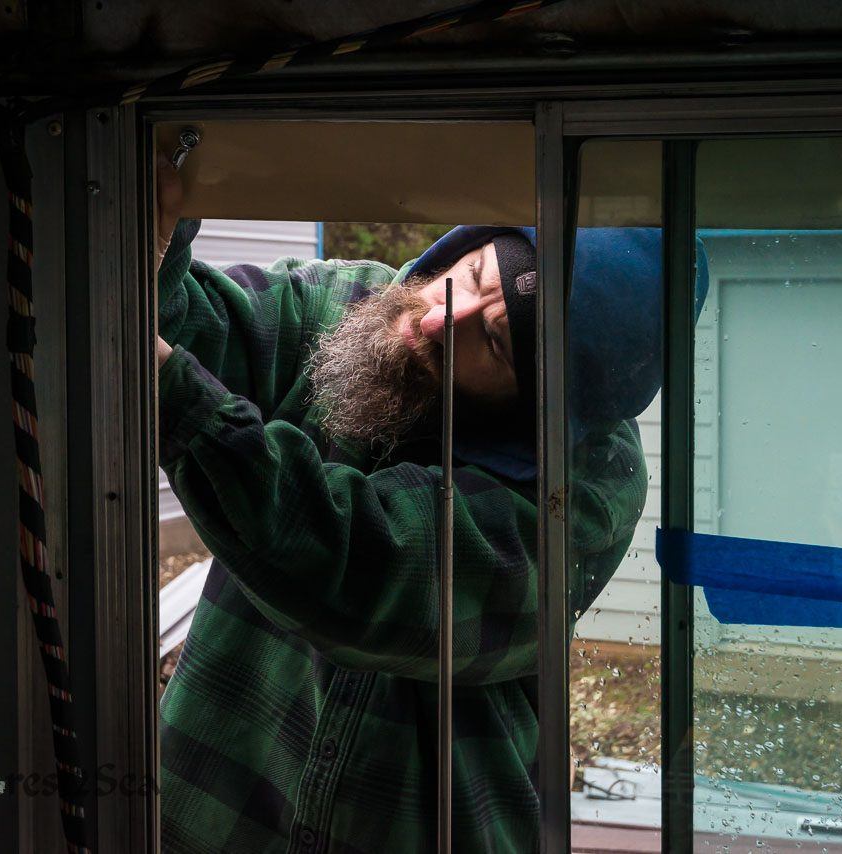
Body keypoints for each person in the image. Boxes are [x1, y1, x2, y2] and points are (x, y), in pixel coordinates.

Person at [153, 159, 703, 853]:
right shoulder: (354, 305)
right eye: (471, 276)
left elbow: (364, 572)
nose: (442, 320)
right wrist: (155, 244)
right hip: (211, 816)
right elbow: (189, 325)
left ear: (540, 405)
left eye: (495, 342)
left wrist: (178, 398)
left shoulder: (584, 492)